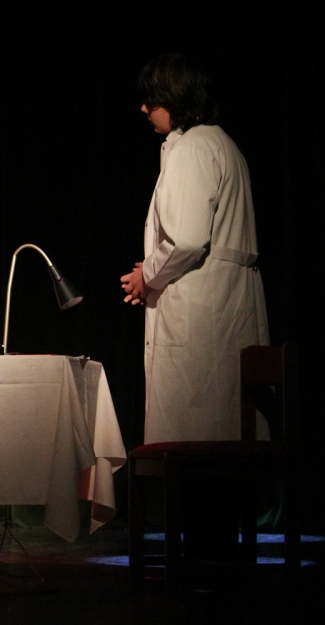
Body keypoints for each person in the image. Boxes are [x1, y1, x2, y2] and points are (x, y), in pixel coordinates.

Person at [120, 54, 270, 559]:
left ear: (174, 98)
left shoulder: (192, 148)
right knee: (219, 434)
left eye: (151, 99)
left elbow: (186, 239)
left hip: (204, 308)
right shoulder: (223, 144)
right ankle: (218, 553)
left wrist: (148, 274)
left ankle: (206, 558)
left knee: (199, 438)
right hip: (225, 301)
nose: (144, 109)